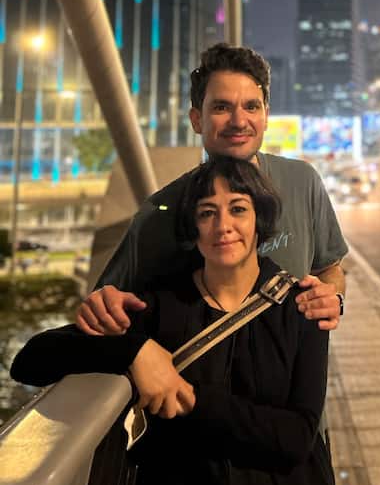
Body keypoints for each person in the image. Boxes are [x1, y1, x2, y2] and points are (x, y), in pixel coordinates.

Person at [12, 156, 348, 485]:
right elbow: (31, 360)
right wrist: (135, 351)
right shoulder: (160, 306)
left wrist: (187, 398)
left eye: (238, 209)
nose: (223, 226)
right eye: (207, 213)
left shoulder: (302, 306)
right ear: (193, 227)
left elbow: (296, 437)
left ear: (260, 219)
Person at [76, 44, 348, 407]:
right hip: (194, 418)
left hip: (294, 419)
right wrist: (104, 309)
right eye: (221, 107)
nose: (239, 121)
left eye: (251, 106)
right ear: (196, 120)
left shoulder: (302, 182)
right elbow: (109, 305)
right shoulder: (158, 213)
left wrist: (332, 297)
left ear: (266, 115)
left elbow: (330, 268)